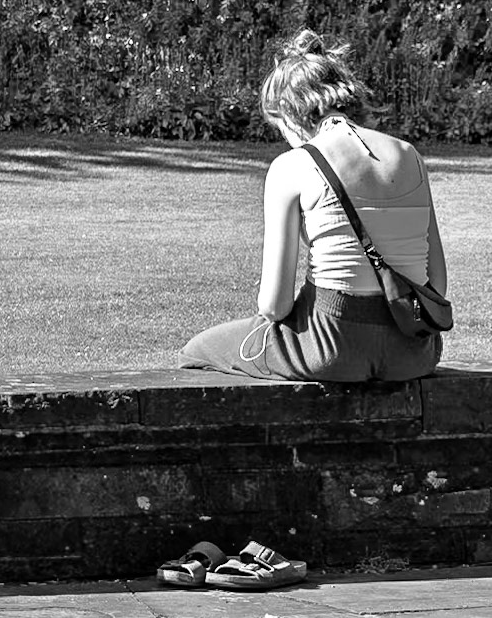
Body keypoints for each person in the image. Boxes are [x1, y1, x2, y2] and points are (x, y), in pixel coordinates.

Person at [178, 31, 446, 382]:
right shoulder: (409, 154)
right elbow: (437, 284)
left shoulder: (293, 165)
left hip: (330, 345)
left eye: (280, 127)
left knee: (198, 351)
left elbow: (274, 306)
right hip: (413, 351)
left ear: (290, 113)